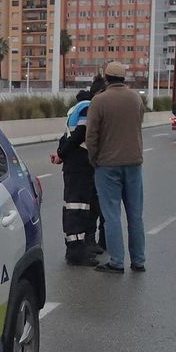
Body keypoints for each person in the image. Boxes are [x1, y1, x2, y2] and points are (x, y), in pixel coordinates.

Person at [85, 61, 148, 274]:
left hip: (107, 165)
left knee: (111, 214)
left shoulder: (99, 101)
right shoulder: (136, 98)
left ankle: (117, 261)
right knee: (135, 214)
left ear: (106, 78)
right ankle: (138, 260)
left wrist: (94, 159)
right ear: (124, 78)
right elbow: (138, 124)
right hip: (133, 164)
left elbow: (91, 135)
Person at [52, 80, 104, 267]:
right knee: (77, 208)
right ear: (98, 93)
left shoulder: (79, 106)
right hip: (80, 165)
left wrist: (61, 153)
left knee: (78, 207)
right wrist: (61, 154)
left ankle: (79, 248)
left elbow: (66, 136)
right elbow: (79, 135)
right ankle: (76, 252)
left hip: (76, 163)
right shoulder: (88, 108)